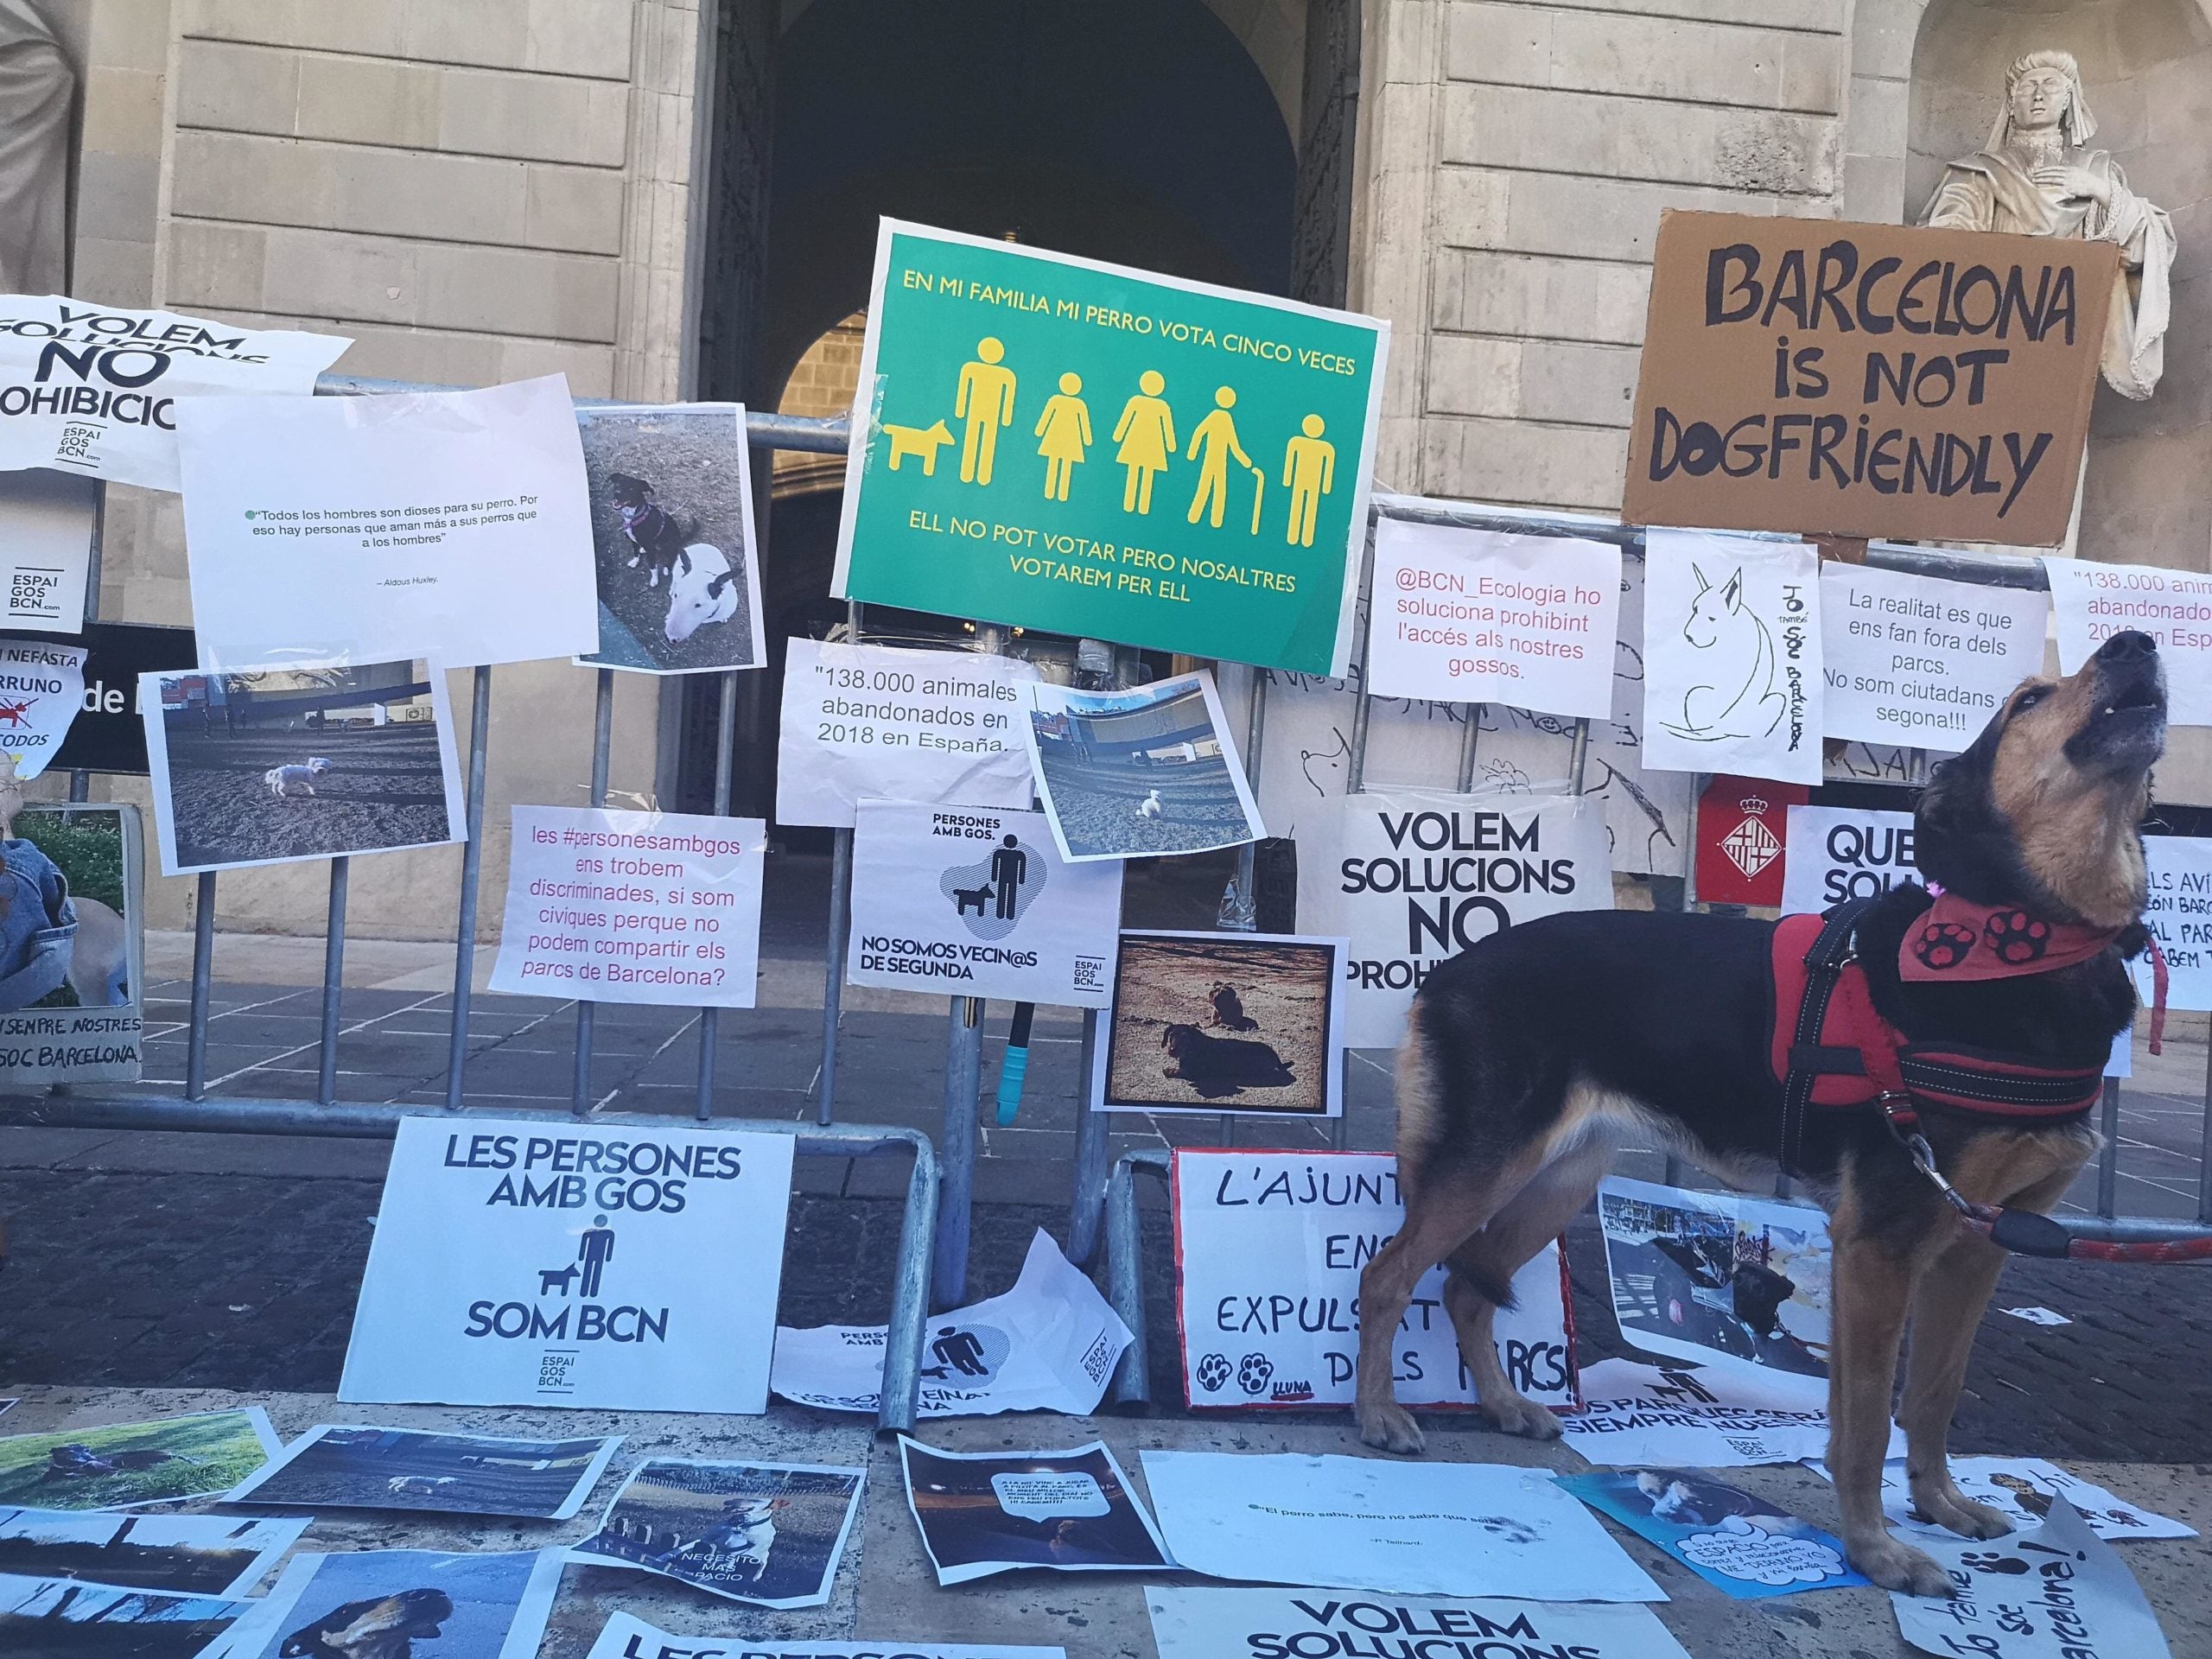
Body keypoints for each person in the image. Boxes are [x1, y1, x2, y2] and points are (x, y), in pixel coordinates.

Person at [1921, 49, 2175, 400]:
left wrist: (2098, 190)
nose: (2039, 94)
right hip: (1994, 319)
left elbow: (2141, 247)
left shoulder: (2097, 171)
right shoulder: (1977, 172)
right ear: (2011, 104)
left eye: (2051, 85)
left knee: (2062, 431)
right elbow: (1941, 246)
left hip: (2069, 322)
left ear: (2069, 99)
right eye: (2028, 87)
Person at [1185, 387, 1253, 528]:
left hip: (1220, 461)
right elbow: (1200, 432)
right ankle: (1198, 517)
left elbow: (1233, 444)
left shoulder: (1225, 418)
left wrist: (1245, 461)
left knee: (1216, 488)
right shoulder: (1217, 416)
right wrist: (1192, 452)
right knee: (1210, 487)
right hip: (1212, 459)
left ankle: (1213, 520)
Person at [1111, 371, 1176, 513]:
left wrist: (1118, 436)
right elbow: (1127, 419)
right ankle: (1138, 506)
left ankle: (1135, 505)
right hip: (1148, 443)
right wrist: (1170, 445)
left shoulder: (1152, 404)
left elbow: (1167, 426)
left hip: (1146, 443)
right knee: (1143, 473)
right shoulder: (1156, 404)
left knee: (1140, 473)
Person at [955, 337, 1019, 485]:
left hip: (992, 413)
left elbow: (1009, 396)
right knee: (972, 439)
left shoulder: (1006, 375)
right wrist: (960, 410)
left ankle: (984, 476)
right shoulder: (970, 368)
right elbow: (963, 388)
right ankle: (966, 473)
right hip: (975, 411)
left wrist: (1006, 417)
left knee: (988, 442)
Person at [1033, 372, 1091, 501]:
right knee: (1061, 464)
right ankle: (1053, 492)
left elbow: (1084, 422)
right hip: (1060, 436)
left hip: (1068, 438)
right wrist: (1087, 440)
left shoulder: (1077, 404)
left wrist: (1040, 431)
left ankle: (1057, 493)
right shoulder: (1061, 401)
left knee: (1063, 464)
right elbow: (1047, 416)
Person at [1281, 414, 1335, 547]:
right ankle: (1293, 536)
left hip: (1313, 483)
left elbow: (1328, 468)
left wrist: (1326, 486)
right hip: (1301, 481)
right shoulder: (1296, 442)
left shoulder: (1326, 448)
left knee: (1310, 508)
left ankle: (1306, 539)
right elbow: (1290, 462)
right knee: (1298, 506)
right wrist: (1287, 479)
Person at [575, 1216, 616, 1300]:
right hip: (589, 1255)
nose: (600, 1223)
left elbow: (610, 1245)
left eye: (602, 1221)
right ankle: (584, 1291)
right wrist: (581, 1256)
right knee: (587, 1271)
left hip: (600, 1256)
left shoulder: (609, 1233)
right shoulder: (588, 1233)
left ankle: (593, 1292)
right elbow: (584, 1244)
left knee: (597, 1272)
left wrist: (608, 1257)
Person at [988, 833, 1026, 920]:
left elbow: (1022, 866)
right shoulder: (1000, 853)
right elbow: (995, 864)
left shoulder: (1019, 855)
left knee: (1011, 895)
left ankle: (1009, 915)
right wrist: (994, 877)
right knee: (1003, 894)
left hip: (1011, 877)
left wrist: (1021, 879)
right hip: (1004, 877)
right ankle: (1000, 914)